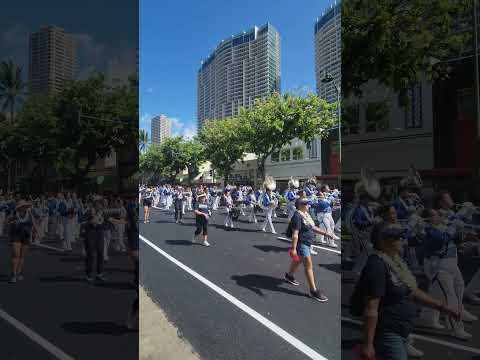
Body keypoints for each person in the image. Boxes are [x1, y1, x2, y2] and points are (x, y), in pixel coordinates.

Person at [358, 222, 460, 360]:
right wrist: (367, 344)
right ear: (382, 240)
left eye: (401, 236)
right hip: (387, 334)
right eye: (397, 237)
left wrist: (444, 307)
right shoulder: (377, 265)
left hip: (401, 332)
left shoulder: (395, 261)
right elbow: (371, 307)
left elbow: (413, 292)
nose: (402, 240)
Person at [284, 198, 334, 302]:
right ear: (301, 205)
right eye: (307, 204)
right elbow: (295, 234)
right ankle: (313, 290)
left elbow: (313, 227)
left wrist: (326, 233)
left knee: (297, 260)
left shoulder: (305, 215)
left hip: (307, 243)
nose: (309, 206)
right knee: (308, 265)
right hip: (302, 244)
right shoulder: (297, 217)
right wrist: (293, 249)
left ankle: (289, 276)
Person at [8, 200, 33, 283]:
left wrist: (37, 232)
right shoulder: (14, 214)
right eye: (22, 206)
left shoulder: (29, 213)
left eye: (25, 206)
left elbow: (33, 223)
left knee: (22, 256)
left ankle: (19, 273)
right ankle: (14, 274)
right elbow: (7, 222)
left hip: (26, 236)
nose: (24, 207)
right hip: (16, 235)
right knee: (15, 255)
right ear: (19, 207)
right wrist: (12, 222)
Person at [82, 208, 106, 282]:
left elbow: (105, 222)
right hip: (90, 235)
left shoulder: (102, 213)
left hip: (99, 235)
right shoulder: (89, 211)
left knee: (100, 255)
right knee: (90, 256)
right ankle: (88, 274)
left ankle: (99, 274)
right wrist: (96, 219)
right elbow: (92, 223)